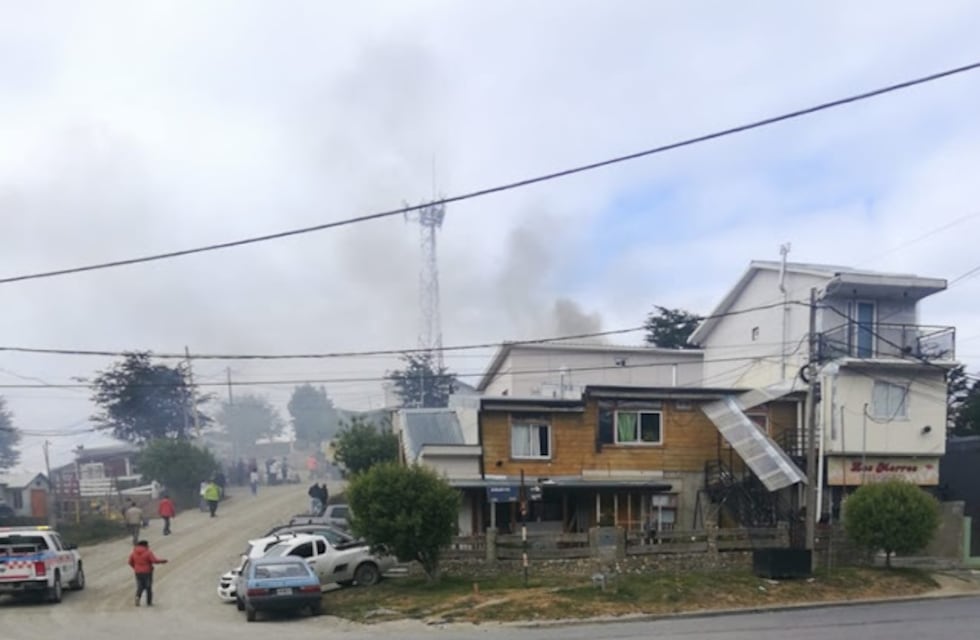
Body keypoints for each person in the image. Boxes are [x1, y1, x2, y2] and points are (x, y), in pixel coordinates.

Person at [128, 540, 167, 606]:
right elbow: (154, 561)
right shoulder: (148, 552)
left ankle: (138, 596)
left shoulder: (133, 552)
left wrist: (135, 567)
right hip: (147, 572)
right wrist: (162, 561)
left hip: (138, 572)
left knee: (140, 586)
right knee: (148, 586)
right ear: (145, 545)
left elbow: (130, 562)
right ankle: (149, 602)